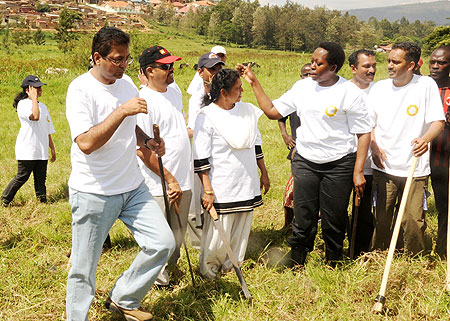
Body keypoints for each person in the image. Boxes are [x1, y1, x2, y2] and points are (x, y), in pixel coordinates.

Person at [65, 27, 175, 321]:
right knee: (83, 267)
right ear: (97, 57)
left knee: (162, 242)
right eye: (117, 59)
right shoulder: (80, 89)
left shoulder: (126, 85)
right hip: (94, 191)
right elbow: (86, 142)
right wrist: (122, 112)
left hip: (132, 186)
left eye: (126, 59)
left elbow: (130, 129)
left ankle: (124, 297)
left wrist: (146, 141)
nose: (124, 66)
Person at [239, 42, 371, 267]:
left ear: (333, 68)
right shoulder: (302, 88)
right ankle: (298, 257)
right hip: (306, 161)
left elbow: (363, 132)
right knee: (303, 212)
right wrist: (254, 82)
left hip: (339, 163)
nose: (312, 66)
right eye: (312, 61)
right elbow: (273, 112)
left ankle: (333, 258)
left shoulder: (349, 92)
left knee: (334, 215)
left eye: (318, 63)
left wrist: (358, 170)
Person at [369, 42, 445, 255]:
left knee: (413, 219)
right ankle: (377, 255)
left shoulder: (426, 85)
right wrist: (373, 146)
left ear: (411, 65)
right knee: (381, 217)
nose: (390, 65)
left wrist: (425, 139)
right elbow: (369, 124)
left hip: (415, 165)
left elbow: (438, 122)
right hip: (384, 165)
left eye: (396, 61)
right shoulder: (379, 88)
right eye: (389, 61)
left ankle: (414, 258)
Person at [193, 68, 270, 279]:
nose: (242, 91)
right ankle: (209, 269)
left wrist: (263, 172)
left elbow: (256, 144)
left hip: (246, 180)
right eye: (238, 88)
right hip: (222, 184)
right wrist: (207, 189)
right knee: (219, 232)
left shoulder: (247, 111)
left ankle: (232, 264)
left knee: (242, 226)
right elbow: (200, 157)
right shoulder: (207, 116)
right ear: (223, 92)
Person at [137, 45, 191, 286]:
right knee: (160, 237)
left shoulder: (174, 92)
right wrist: (169, 178)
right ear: (149, 71)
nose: (172, 70)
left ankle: (171, 268)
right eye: (166, 66)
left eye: (172, 65)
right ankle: (157, 280)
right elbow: (142, 150)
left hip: (183, 177)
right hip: (160, 183)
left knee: (178, 234)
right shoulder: (142, 102)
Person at [186, 52, 225, 249]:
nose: (216, 72)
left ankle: (218, 234)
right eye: (212, 69)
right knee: (198, 193)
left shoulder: (225, 93)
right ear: (200, 72)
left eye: (219, 68)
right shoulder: (197, 99)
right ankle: (198, 242)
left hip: (221, 152)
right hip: (201, 151)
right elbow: (193, 129)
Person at [2, 75, 56, 206]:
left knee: (40, 178)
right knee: (22, 176)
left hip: (41, 149)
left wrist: (52, 148)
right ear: (28, 90)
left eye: (40, 88)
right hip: (28, 148)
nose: (40, 90)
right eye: (36, 88)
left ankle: (43, 202)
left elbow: (47, 129)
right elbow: (35, 117)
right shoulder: (23, 105)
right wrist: (34, 99)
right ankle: (4, 200)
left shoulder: (43, 106)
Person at [347, 49, 377, 257]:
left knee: (364, 209)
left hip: (370, 164)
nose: (372, 70)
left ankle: (361, 251)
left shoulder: (380, 91)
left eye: (374, 65)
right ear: (353, 68)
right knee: (338, 209)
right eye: (366, 66)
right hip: (343, 160)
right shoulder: (342, 90)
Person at [278, 63, 311, 229]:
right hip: (297, 149)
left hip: (313, 149)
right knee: (294, 187)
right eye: (305, 75)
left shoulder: (318, 96)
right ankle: (289, 224)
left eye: (311, 74)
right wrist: (285, 135)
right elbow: (280, 116)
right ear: (300, 76)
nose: (308, 77)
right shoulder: (296, 95)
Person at [429, 45, 450, 256]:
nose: (435, 66)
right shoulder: (419, 86)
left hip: (442, 158)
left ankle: (443, 248)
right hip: (414, 155)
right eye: (433, 61)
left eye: (441, 62)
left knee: (444, 204)